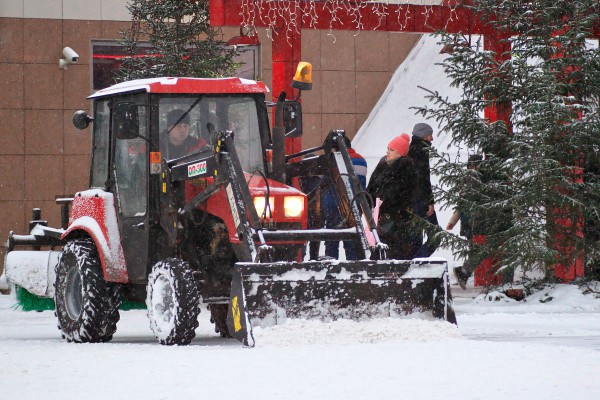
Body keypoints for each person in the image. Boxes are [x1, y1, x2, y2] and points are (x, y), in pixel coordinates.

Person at [366, 133, 416, 259]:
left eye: (392, 150)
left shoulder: (405, 167)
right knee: (379, 247)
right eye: (388, 148)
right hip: (380, 214)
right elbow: (372, 185)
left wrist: (385, 200)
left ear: (400, 153)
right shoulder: (383, 164)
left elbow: (402, 193)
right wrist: (369, 200)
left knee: (392, 249)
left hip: (396, 217)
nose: (388, 151)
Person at [321, 137, 368, 260]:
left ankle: (331, 269)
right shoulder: (361, 160)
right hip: (355, 206)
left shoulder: (335, 161)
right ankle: (352, 269)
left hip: (335, 206)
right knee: (351, 242)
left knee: (332, 242)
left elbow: (324, 184)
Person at [446, 154, 482, 289]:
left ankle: (464, 272)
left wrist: (452, 222)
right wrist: (452, 221)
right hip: (474, 222)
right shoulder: (476, 181)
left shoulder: (465, 181)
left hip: (468, 222)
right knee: (478, 250)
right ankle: (463, 272)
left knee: (475, 249)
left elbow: (460, 206)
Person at [408, 122, 439, 258]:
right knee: (436, 235)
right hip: (420, 200)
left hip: (410, 200)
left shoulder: (410, 151)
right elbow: (423, 179)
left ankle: (414, 265)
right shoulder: (421, 152)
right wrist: (429, 201)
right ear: (423, 136)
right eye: (429, 135)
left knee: (416, 237)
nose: (431, 138)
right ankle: (416, 262)